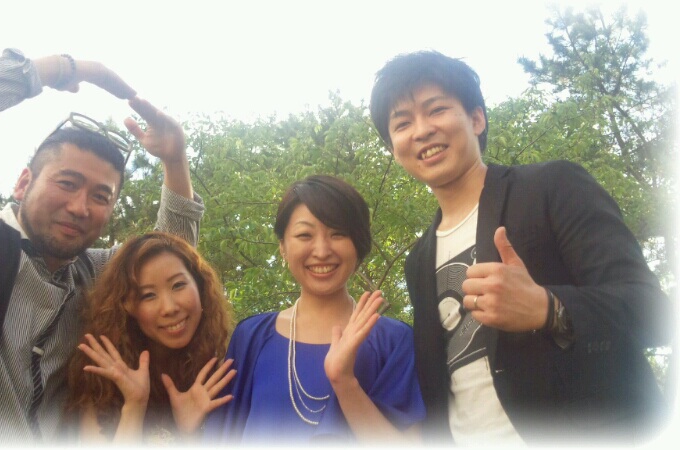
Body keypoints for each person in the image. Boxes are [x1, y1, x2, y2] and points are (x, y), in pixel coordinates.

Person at [0, 49, 204, 444]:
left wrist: (174, 159)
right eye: (67, 183)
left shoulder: (92, 275)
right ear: (23, 183)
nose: (80, 207)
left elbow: (170, 256)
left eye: (101, 197)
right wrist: (61, 69)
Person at [369, 50, 674, 445]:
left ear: (476, 119)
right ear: (394, 150)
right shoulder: (417, 261)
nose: (422, 130)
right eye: (402, 123)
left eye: (437, 109)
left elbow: (653, 313)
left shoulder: (552, 188)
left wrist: (550, 309)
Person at [203, 175, 425, 445]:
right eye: (304, 235)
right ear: (283, 247)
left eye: (338, 234)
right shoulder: (251, 337)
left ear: (359, 244)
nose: (321, 251)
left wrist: (345, 383)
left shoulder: (393, 341)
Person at [65, 231, 235, 444]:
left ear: (200, 286)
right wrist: (134, 406)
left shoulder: (223, 368)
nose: (169, 308)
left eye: (178, 285)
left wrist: (189, 435)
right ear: (127, 307)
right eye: (148, 295)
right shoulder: (104, 377)